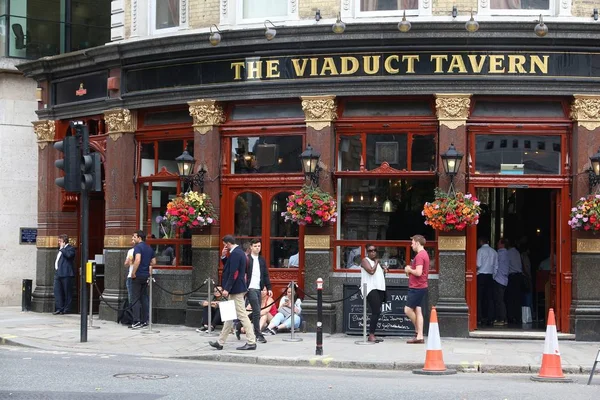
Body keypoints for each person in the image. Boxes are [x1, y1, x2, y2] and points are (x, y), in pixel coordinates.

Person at [209, 235, 257, 351]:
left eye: (225, 244)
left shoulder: (236, 253)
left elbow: (234, 273)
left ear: (228, 243)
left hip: (235, 289)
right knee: (229, 316)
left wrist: (227, 288)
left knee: (242, 315)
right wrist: (224, 256)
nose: (225, 246)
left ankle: (251, 342)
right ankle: (220, 342)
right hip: (235, 288)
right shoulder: (238, 252)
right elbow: (229, 267)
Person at [244, 238, 272, 344]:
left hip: (258, 288)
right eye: (255, 246)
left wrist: (269, 288)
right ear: (251, 247)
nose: (257, 248)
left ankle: (238, 325)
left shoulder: (261, 259)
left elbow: (265, 274)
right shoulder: (246, 259)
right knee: (256, 311)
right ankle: (258, 334)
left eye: (259, 246)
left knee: (256, 311)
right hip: (249, 288)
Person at [404, 234, 429, 344]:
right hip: (420, 286)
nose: (411, 245)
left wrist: (409, 269)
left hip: (417, 287)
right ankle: (419, 336)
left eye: (413, 243)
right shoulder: (424, 254)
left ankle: (419, 332)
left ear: (418, 243)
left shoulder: (419, 256)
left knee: (408, 310)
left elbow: (418, 272)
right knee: (418, 311)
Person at [360, 243, 387, 343]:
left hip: (379, 288)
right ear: (367, 252)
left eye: (374, 250)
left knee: (377, 311)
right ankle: (371, 335)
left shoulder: (377, 263)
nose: (373, 252)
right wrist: (376, 263)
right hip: (370, 289)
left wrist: (383, 269)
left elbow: (377, 274)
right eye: (370, 250)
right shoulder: (364, 260)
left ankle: (372, 334)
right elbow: (371, 271)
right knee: (375, 311)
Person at [130, 230, 156, 329]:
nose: (133, 238)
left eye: (134, 236)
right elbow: (153, 262)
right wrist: (147, 266)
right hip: (146, 275)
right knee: (144, 298)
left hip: (138, 275)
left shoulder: (137, 247)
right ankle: (145, 320)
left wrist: (133, 272)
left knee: (135, 298)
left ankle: (136, 321)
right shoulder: (149, 248)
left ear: (139, 238)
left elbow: (137, 260)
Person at [476, 237, 497, 327]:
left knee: (479, 298)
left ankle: (480, 318)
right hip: (490, 276)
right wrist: (493, 276)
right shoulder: (494, 252)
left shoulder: (480, 251)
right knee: (490, 299)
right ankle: (490, 318)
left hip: (481, 276)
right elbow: (496, 266)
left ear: (481, 241)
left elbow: (478, 264)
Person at [53, 234, 75, 315]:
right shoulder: (60, 249)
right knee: (57, 291)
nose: (58, 243)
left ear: (64, 241)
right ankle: (59, 308)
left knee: (67, 292)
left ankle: (67, 309)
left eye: (60, 241)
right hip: (58, 273)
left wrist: (62, 249)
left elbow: (69, 256)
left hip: (66, 274)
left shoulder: (70, 248)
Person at [506, 240, 524, 324]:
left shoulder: (508, 253)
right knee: (517, 298)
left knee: (510, 298)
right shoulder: (517, 252)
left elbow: (506, 265)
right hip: (519, 276)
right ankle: (518, 317)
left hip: (512, 277)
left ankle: (511, 316)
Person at [493, 239, 509, 326]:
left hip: (499, 279)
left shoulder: (500, 253)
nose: (497, 244)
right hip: (504, 279)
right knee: (501, 300)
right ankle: (504, 319)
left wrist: (493, 276)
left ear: (502, 244)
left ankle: (501, 319)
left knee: (499, 300)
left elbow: (495, 266)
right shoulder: (507, 253)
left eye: (498, 243)